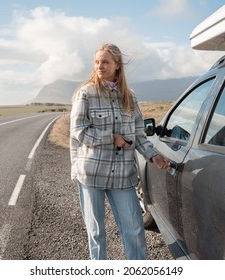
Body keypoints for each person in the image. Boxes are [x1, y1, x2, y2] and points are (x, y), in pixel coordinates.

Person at [70, 43, 169, 260]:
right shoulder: (86, 94)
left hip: (123, 175)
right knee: (96, 233)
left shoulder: (130, 97)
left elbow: (140, 136)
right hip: (91, 174)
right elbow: (79, 132)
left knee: (134, 229)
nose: (100, 66)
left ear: (117, 65)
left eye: (105, 62)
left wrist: (153, 155)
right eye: (97, 62)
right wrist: (110, 139)